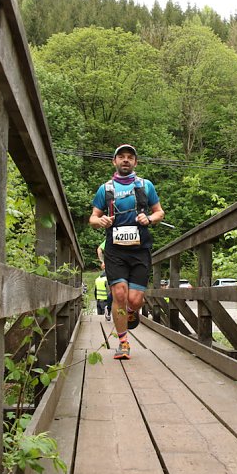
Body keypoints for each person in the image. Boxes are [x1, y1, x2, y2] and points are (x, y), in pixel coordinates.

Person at [90, 144, 164, 360]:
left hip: (140, 250)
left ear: (135, 163)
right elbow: (92, 218)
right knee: (120, 295)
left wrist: (149, 219)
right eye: (121, 157)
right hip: (115, 250)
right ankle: (123, 342)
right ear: (114, 162)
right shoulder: (105, 189)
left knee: (135, 300)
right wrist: (100, 220)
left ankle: (132, 312)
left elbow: (159, 212)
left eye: (129, 157)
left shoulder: (145, 185)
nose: (125, 160)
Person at [97, 241, 113, 319]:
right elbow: (99, 249)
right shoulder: (113, 234)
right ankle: (109, 308)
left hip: (127, 265)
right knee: (114, 290)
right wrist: (103, 261)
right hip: (113, 267)